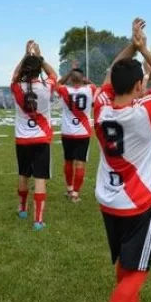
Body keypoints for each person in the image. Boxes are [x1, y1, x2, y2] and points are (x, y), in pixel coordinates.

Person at [88, 18, 151, 302]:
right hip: (137, 203)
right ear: (140, 85)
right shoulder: (145, 110)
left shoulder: (101, 107)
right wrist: (144, 48)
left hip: (107, 200)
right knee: (138, 269)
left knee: (125, 261)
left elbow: (111, 72)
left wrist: (130, 47)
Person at [10, 40, 57, 231]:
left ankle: (22, 209)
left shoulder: (16, 87)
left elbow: (14, 76)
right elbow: (54, 74)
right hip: (41, 138)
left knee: (23, 174)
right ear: (39, 71)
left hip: (23, 139)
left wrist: (25, 56)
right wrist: (39, 56)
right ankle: (38, 220)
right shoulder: (47, 86)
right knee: (39, 178)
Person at [55, 61, 96, 203]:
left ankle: (69, 188)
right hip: (83, 133)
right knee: (80, 163)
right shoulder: (90, 89)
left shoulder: (66, 90)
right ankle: (75, 194)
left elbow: (57, 84)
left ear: (71, 79)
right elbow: (93, 85)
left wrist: (69, 73)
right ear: (83, 78)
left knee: (68, 161)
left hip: (67, 132)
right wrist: (84, 79)